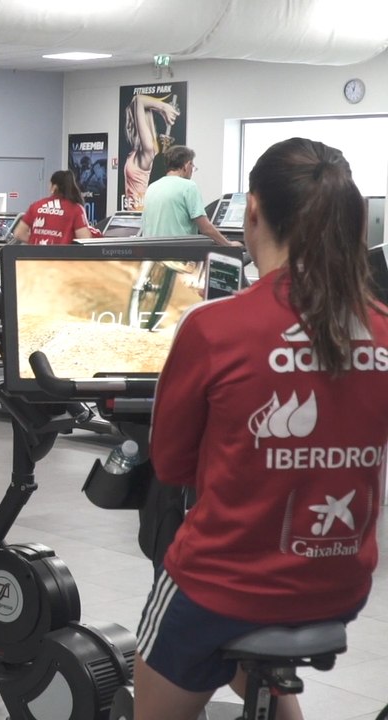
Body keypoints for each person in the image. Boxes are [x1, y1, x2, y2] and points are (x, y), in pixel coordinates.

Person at [134, 137, 388, 719]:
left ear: (252, 211)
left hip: (219, 584)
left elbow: (171, 466)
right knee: (257, 659)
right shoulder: (382, 329)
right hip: (338, 583)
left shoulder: (213, 327)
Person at [141, 145, 237, 246]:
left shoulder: (152, 187)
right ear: (187, 165)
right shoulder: (189, 186)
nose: (192, 171)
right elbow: (205, 228)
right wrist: (228, 244)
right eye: (193, 167)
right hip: (178, 257)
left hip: (151, 257)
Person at [122, 92, 179, 211]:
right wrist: (160, 111)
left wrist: (163, 107)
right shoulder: (136, 153)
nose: (128, 126)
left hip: (140, 215)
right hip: (132, 214)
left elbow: (138, 100)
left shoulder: (148, 150)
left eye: (130, 120)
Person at [12, 170, 94, 246]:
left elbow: (19, 233)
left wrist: (36, 241)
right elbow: (84, 238)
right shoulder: (76, 209)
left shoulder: (36, 206)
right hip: (61, 258)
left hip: (35, 258)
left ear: (54, 187)